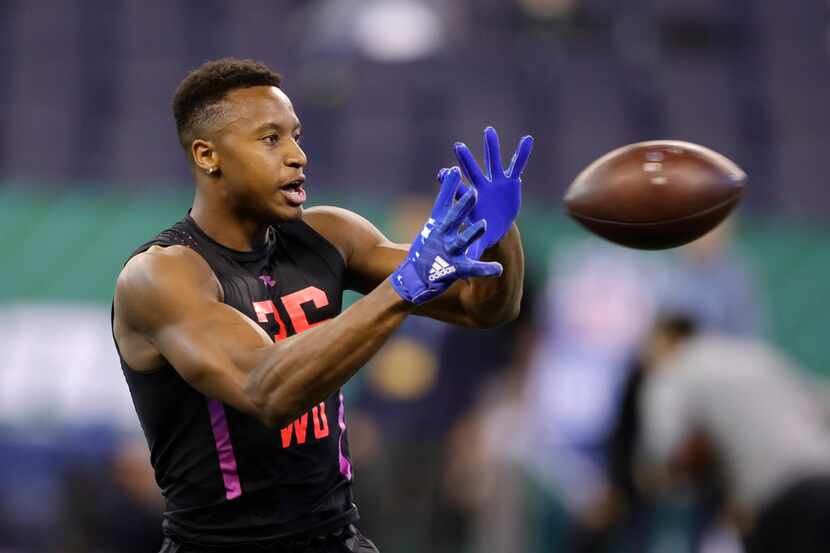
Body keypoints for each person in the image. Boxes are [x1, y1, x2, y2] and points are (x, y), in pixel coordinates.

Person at [111, 57, 533, 553]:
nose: (296, 155)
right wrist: (403, 287)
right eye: (271, 139)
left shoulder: (330, 234)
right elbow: (266, 390)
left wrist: (499, 234)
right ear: (208, 155)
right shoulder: (162, 276)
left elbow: (485, 308)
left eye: (296, 135)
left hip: (336, 538)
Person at [639, 315, 830, 553]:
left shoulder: (676, 369)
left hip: (780, 499)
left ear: (666, 339)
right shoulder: (754, 355)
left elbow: (666, 448)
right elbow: (821, 404)